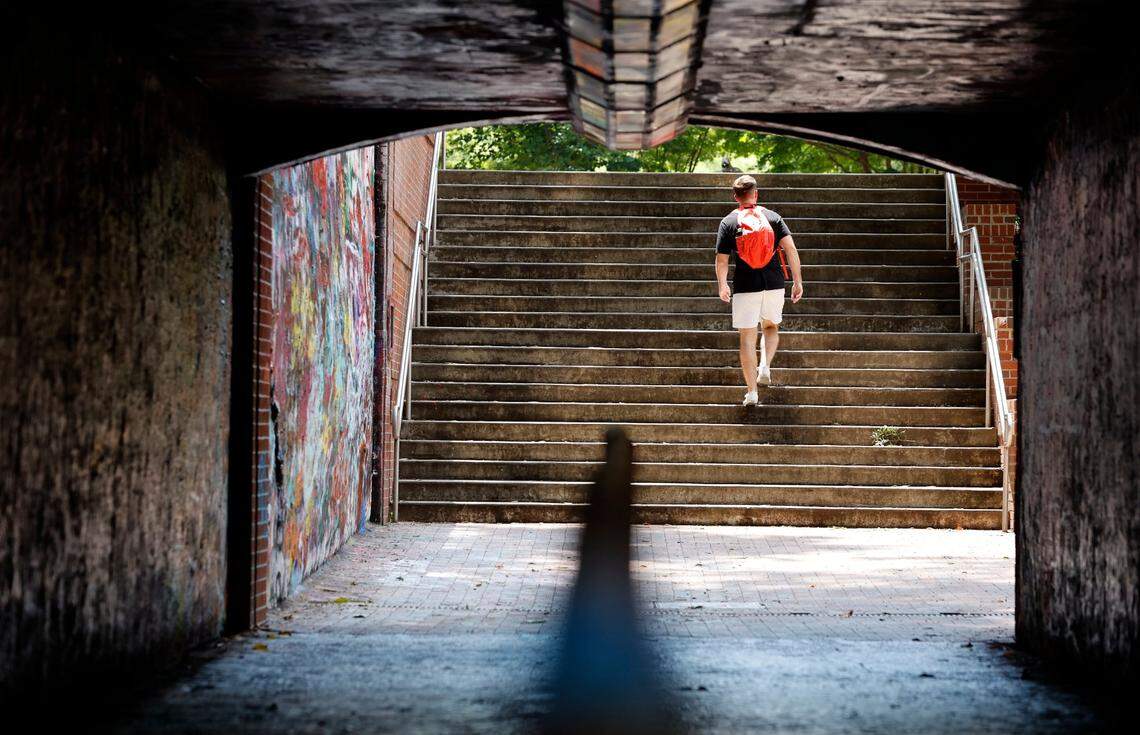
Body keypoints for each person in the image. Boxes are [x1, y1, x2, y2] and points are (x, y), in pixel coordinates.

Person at [714, 174, 804, 406]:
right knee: (771, 326)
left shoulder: (729, 222)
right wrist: (797, 281)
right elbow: (791, 250)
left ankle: (752, 392)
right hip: (773, 282)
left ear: (735, 196)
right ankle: (765, 365)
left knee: (746, 339)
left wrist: (722, 284)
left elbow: (722, 260)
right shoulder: (773, 217)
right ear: (756, 194)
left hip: (745, 285)